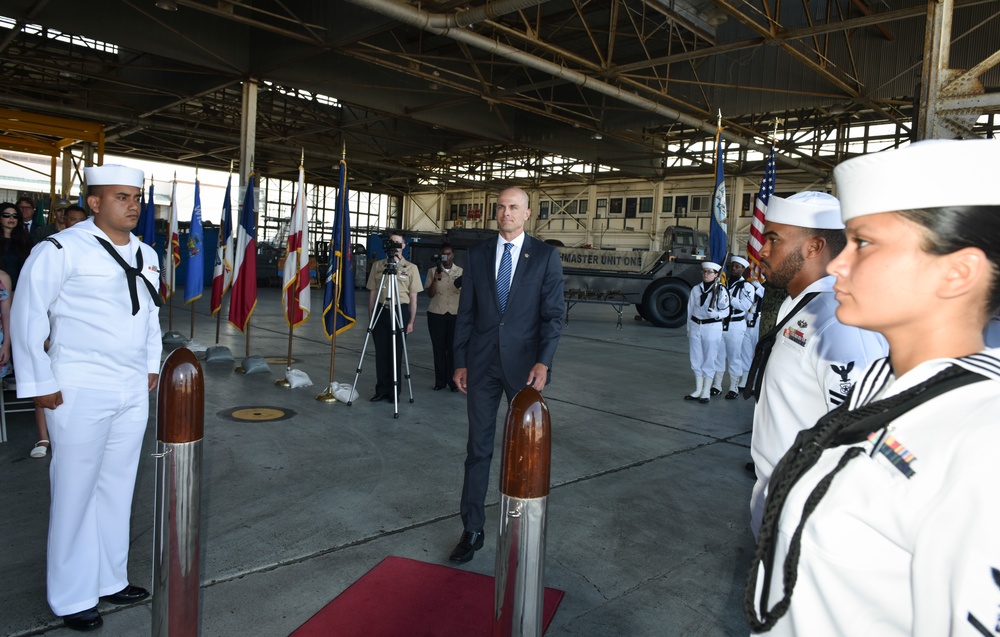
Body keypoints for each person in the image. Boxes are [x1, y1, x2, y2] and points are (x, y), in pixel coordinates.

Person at [746, 138, 1000, 636]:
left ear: (957, 272)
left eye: (864, 243)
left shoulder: (981, 443)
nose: (838, 264)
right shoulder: (883, 384)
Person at [11, 164, 163, 632]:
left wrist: (152, 365)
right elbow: (27, 315)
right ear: (95, 203)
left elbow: (150, 315)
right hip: (77, 385)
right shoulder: (59, 249)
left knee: (118, 486)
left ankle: (109, 578)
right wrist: (40, 383)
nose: (133, 204)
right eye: (121, 197)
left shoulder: (147, 252)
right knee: (75, 491)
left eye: (136, 197)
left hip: (131, 387)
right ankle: (72, 594)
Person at [745, 191, 886, 538]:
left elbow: (860, 437)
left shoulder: (839, 321)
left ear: (813, 246)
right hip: (777, 497)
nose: (762, 251)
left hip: (807, 515)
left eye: (774, 239)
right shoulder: (802, 306)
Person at [450, 187, 564, 563]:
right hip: (481, 366)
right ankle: (473, 528)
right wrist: (460, 361)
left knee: (525, 452)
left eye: (513, 207)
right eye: (500, 207)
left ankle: (522, 525)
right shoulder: (479, 254)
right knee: (477, 449)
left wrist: (543, 362)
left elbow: (553, 315)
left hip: (525, 368)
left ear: (528, 213)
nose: (505, 213)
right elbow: (466, 312)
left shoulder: (545, 257)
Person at [366, 231, 423, 402]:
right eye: (392, 242)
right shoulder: (378, 266)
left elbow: (413, 297)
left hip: (400, 310)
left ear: (404, 246)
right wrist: (371, 318)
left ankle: (394, 391)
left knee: (396, 353)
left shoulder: (411, 268)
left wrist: (411, 321)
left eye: (398, 243)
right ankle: (381, 389)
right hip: (381, 311)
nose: (394, 246)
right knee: (381, 353)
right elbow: (373, 294)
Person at [684, 261, 730, 403]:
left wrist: (716, 314)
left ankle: (706, 391)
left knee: (710, 358)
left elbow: (727, 311)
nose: (706, 274)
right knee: (696, 358)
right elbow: (690, 310)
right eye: (704, 272)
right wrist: (689, 327)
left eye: (710, 272)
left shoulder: (721, 290)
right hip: (696, 325)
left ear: (717, 274)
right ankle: (698, 389)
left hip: (712, 327)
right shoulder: (696, 289)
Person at [711, 255, 755, 399]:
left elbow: (745, 305)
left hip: (736, 324)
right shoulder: (722, 283)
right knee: (719, 356)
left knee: (734, 356)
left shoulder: (747, 286)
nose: (734, 269)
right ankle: (716, 385)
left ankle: (733, 387)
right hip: (720, 324)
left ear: (743, 269)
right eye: (732, 266)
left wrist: (728, 296)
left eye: (738, 267)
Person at [424, 242, 463, 391]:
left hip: (455, 314)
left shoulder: (461, 272)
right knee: (438, 349)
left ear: (453, 255)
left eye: (448, 253)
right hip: (436, 314)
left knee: (453, 349)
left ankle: (453, 382)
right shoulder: (432, 271)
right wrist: (435, 278)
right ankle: (440, 382)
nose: (446, 257)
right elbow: (430, 294)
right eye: (443, 254)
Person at [0, 201, 33, 287]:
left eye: (15, 216)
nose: (12, 218)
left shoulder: (25, 240)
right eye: (6, 215)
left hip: (19, 288)